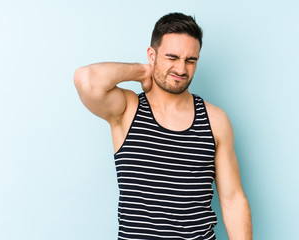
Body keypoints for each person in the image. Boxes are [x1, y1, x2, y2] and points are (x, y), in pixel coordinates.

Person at [74, 12, 252, 240]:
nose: (181, 69)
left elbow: (233, 199)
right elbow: (86, 79)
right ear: (152, 55)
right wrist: (142, 71)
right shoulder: (127, 109)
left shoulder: (215, 120)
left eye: (190, 60)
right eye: (172, 57)